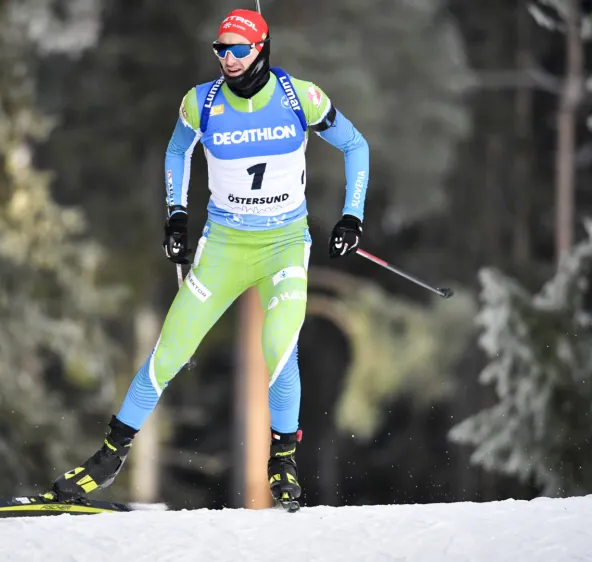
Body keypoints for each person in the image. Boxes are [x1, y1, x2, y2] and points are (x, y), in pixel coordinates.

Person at [49, 8, 369, 507]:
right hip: (224, 245)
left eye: (239, 49)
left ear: (261, 47)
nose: (229, 59)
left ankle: (283, 463)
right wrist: (176, 215)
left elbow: (355, 145)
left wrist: (352, 216)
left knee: (279, 345)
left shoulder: (300, 97)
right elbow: (177, 152)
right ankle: (109, 456)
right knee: (170, 350)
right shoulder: (201, 103)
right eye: (221, 50)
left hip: (284, 244)